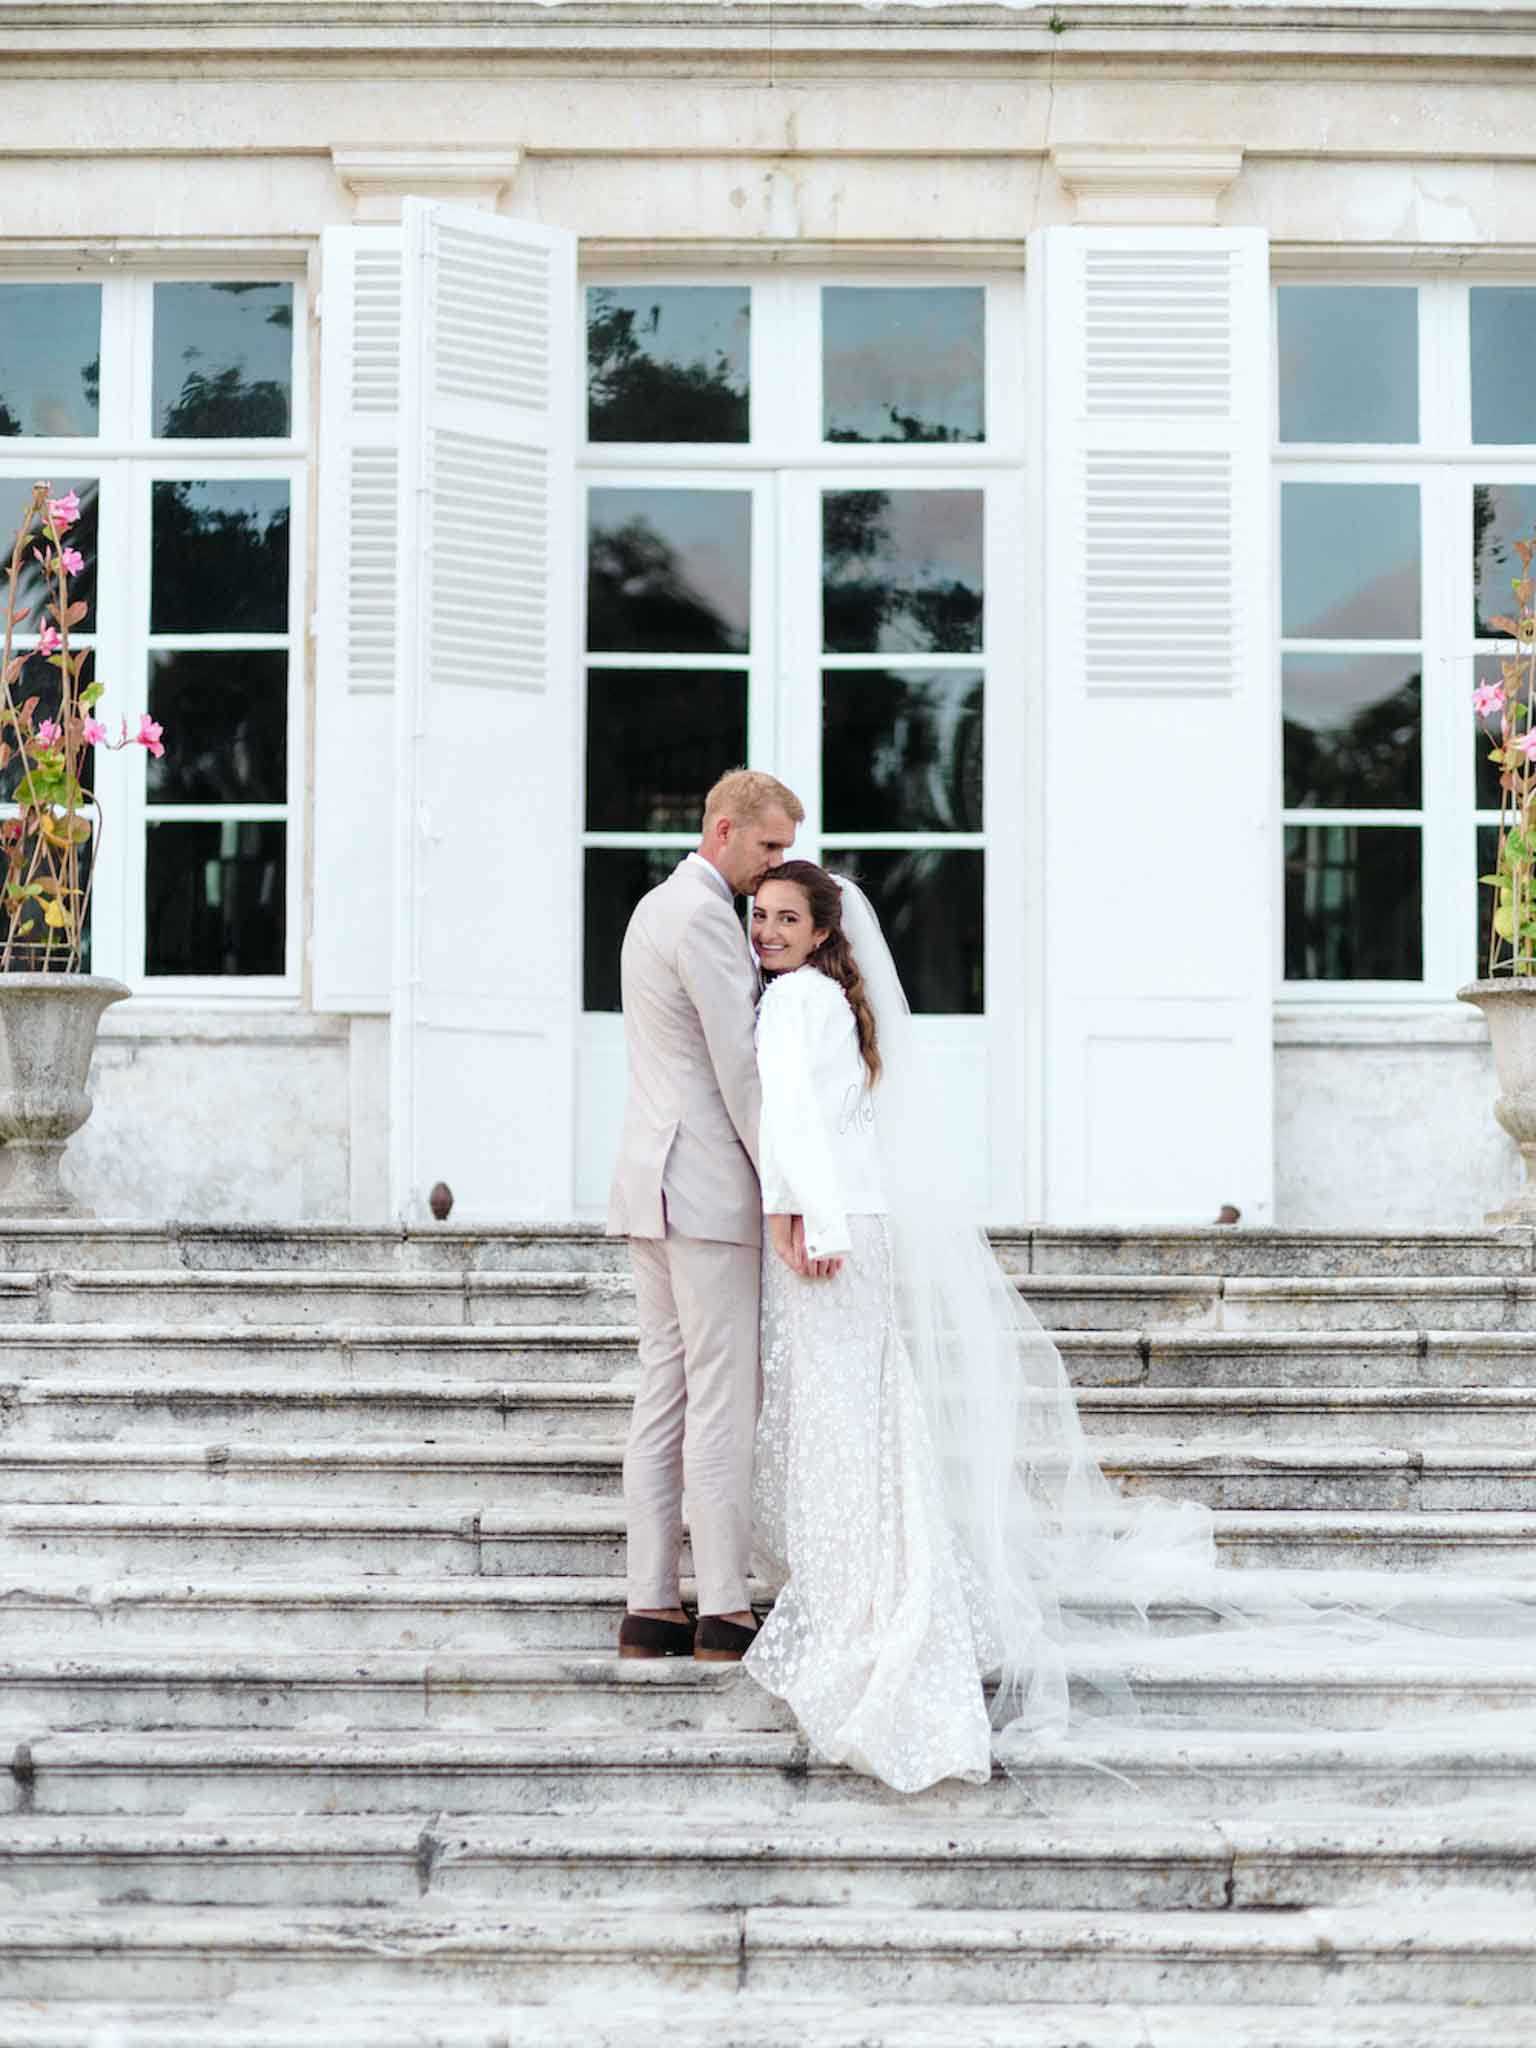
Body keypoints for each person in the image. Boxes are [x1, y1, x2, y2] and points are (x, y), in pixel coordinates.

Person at [607, 768, 804, 1664]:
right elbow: (740, 1067)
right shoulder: (704, 920)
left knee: (665, 1391)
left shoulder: (654, 908)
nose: (775, 869)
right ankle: (723, 1607)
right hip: (707, 1189)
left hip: (649, 1178)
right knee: (721, 1397)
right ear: (723, 829)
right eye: (768, 847)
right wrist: (791, 1188)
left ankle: (650, 1606)